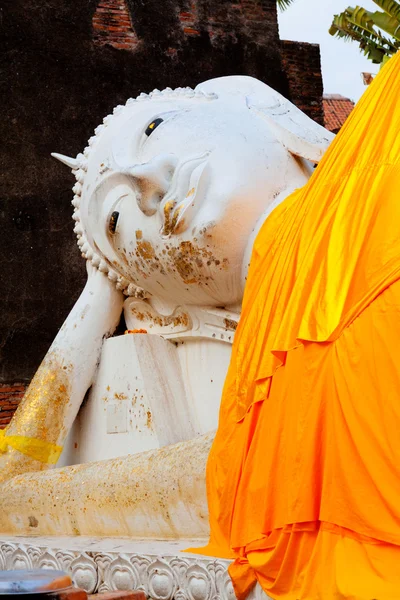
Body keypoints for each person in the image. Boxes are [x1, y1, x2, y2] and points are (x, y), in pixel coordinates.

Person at [190, 52, 400, 599]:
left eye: (155, 130)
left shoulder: (326, 226)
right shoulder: (298, 242)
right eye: (113, 223)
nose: (157, 188)